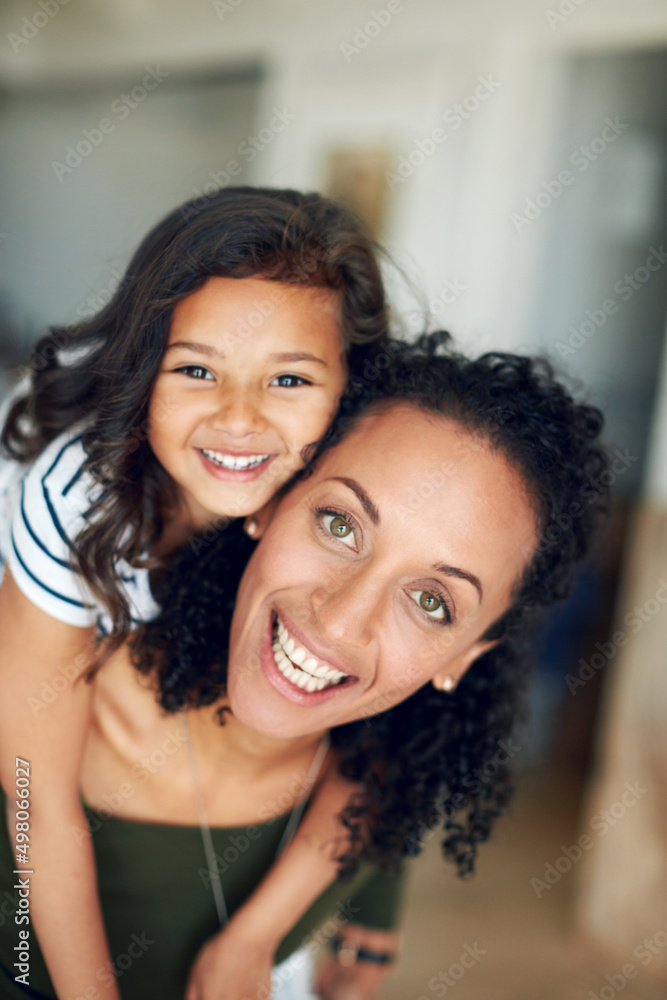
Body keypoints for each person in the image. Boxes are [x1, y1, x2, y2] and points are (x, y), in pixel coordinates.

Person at [0, 332, 608, 999]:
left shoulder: (379, 748)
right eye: (340, 524)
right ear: (273, 501)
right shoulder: (53, 707)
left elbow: (385, 774)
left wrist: (364, 917)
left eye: (431, 602)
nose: (342, 619)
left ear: (463, 657)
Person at [0, 187, 390, 1000]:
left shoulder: (357, 492)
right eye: (196, 369)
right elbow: (35, 796)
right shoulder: (77, 499)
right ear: (143, 369)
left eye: (287, 379)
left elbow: (394, 723)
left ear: (350, 389)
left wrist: (371, 909)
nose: (237, 419)